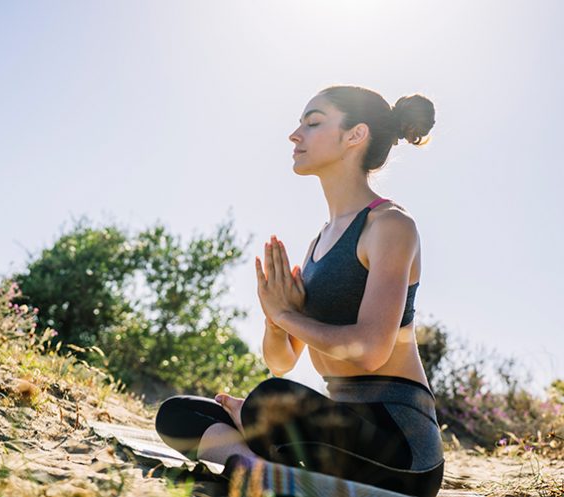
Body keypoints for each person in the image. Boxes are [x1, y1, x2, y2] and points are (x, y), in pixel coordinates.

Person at [154, 85, 444, 497]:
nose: (295, 135)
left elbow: (370, 349)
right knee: (178, 414)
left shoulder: (390, 226)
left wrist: (289, 316)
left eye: (313, 123)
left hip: (401, 448)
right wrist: (276, 321)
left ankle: (256, 463)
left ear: (354, 136)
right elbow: (282, 360)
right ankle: (258, 470)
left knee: (268, 401)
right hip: (333, 431)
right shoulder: (319, 242)